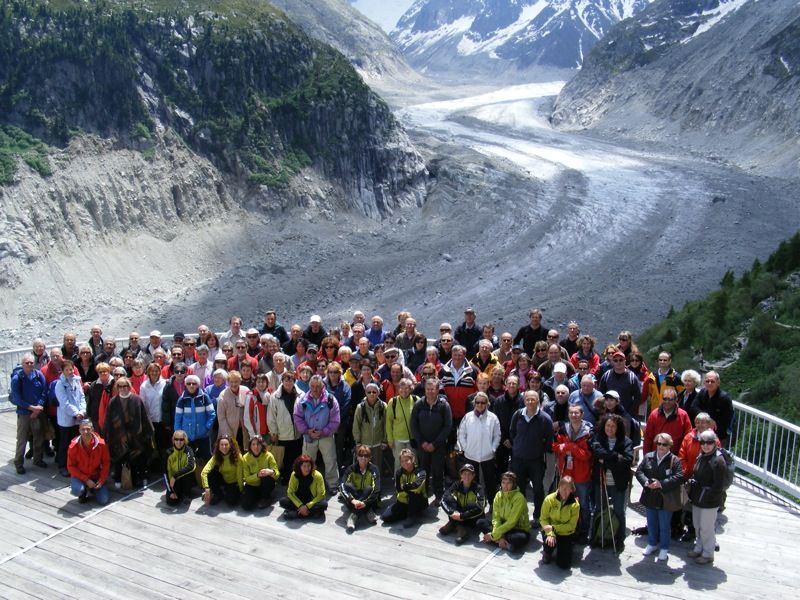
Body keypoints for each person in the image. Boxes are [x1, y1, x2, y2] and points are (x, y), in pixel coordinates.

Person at [636, 432, 685, 561]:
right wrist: (646, 482)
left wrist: (661, 484)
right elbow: (639, 471)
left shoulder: (675, 460)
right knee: (651, 523)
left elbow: (679, 477)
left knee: (664, 525)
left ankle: (664, 548)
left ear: (670, 446)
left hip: (665, 498)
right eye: (658, 443)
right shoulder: (649, 457)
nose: (661, 446)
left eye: (664, 444)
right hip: (650, 495)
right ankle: (652, 543)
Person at [509, 390, 553, 526]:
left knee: (538, 489)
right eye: (527, 399)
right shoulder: (518, 415)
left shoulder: (545, 418)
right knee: (519, 488)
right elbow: (512, 432)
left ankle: (537, 516)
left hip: (536, 460)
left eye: (533, 399)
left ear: (538, 401)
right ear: (524, 400)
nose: (530, 402)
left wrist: (538, 449)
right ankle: (521, 515)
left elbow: (549, 439)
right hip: (518, 458)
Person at [590, 414, 633, 550]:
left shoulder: (626, 441)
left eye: (613, 426)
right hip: (601, 481)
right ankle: (595, 536)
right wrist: (615, 457)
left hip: (618, 482)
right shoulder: (598, 438)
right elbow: (597, 452)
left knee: (619, 511)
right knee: (598, 509)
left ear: (618, 427)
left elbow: (627, 460)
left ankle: (619, 539)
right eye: (608, 425)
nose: (610, 428)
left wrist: (607, 460)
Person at [103, 376, 154, 489]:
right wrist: (106, 434)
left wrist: (148, 432)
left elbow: (144, 417)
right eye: (120, 386)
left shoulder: (137, 399)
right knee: (119, 457)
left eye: (125, 386)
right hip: (118, 435)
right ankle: (118, 478)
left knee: (138, 458)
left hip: (135, 435)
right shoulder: (113, 401)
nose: (122, 388)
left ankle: (141, 478)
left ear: (129, 386)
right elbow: (108, 420)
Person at [552, 405, 593, 542]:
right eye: (571, 413)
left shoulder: (589, 432)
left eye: (577, 413)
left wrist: (571, 447)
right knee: (566, 502)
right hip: (566, 473)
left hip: (582, 475)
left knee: (584, 505)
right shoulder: (564, 429)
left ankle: (584, 532)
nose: (574, 415)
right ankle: (568, 529)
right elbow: (555, 446)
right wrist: (565, 448)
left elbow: (586, 455)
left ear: (582, 414)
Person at [293, 374, 340, 491]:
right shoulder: (302, 400)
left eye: (318, 386)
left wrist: (323, 432)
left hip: (326, 436)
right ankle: (308, 484)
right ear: (309, 386)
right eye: (312, 386)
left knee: (330, 461)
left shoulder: (330, 399)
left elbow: (335, 420)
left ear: (322, 386)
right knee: (306, 463)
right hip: (309, 436)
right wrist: (307, 431)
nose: (315, 389)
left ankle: (333, 485)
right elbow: (297, 417)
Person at [686, 430, 726, 564]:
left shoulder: (718, 460)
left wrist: (709, 497)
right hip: (698, 497)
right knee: (697, 525)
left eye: (709, 442)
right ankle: (699, 548)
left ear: (715, 443)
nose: (705, 445)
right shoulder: (701, 456)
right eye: (702, 442)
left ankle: (708, 553)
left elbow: (719, 485)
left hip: (709, 501)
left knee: (706, 527)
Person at [410, 377, 453, 504]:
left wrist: (435, 443)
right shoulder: (419, 404)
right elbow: (414, 424)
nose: (430, 391)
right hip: (422, 445)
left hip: (438, 446)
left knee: (438, 470)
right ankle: (423, 494)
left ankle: (439, 495)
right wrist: (422, 442)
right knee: (423, 470)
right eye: (428, 389)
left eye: (432, 389)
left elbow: (447, 426)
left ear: (437, 390)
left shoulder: (444, 405)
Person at [457, 391, 501, 502]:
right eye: (477, 402)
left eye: (483, 402)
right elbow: (461, 434)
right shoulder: (468, 417)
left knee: (490, 482)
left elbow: (497, 436)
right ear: (474, 403)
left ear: (487, 403)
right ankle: (472, 502)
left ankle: (492, 503)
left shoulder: (493, 418)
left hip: (488, 456)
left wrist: (493, 448)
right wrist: (466, 447)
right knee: (471, 481)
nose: (480, 405)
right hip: (470, 455)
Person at [11, 353, 48, 473]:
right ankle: (18, 463)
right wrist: (32, 408)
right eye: (27, 363)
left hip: (37, 412)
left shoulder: (38, 375)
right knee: (22, 439)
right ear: (22, 364)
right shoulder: (17, 378)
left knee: (39, 437)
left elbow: (44, 392)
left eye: (31, 362)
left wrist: (39, 407)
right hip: (24, 413)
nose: (29, 364)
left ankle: (38, 459)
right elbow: (17, 398)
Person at [478, 471, 531, 553]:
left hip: (518, 528)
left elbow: (512, 522)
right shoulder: (498, 495)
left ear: (513, 484)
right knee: (480, 522)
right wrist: (500, 535)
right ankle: (504, 542)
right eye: (503, 482)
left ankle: (497, 540)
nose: (505, 485)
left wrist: (493, 535)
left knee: (519, 538)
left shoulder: (519, 498)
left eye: (509, 483)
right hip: (503, 527)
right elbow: (496, 518)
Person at [268, 371, 303, 484]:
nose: (288, 383)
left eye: (291, 380)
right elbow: (271, 416)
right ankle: (287, 479)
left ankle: (297, 478)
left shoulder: (301, 394)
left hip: (297, 433)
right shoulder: (275, 397)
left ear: (294, 381)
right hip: (283, 434)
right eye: (286, 380)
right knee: (285, 459)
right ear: (282, 381)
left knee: (297, 458)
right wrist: (274, 433)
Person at [54, 359, 86, 477]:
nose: (69, 371)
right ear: (62, 371)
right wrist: (76, 413)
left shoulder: (77, 380)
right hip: (66, 418)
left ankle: (74, 463)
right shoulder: (59, 385)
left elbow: (82, 396)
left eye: (71, 369)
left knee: (76, 443)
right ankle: (62, 465)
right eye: (67, 369)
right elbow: (64, 403)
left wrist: (82, 411)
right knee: (65, 443)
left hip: (78, 417)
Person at [174, 375, 216, 464]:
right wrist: (178, 434)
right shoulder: (181, 400)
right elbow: (178, 418)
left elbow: (211, 414)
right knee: (188, 461)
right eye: (189, 383)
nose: (191, 386)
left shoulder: (205, 397)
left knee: (206, 459)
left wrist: (207, 428)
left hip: (203, 436)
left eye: (194, 383)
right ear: (186, 385)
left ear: (198, 385)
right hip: (187, 436)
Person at [440, 463, 486, 545]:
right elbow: (444, 498)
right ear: (461, 475)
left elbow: (481, 507)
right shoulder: (457, 484)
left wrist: (462, 516)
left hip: (471, 517)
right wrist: (451, 513)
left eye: (469, 474)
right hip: (459, 514)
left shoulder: (478, 488)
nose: (467, 476)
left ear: (473, 475)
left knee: (472, 505)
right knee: (449, 499)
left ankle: (456, 526)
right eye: (464, 474)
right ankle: (458, 526)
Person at [540, 476, 581, 569]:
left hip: (565, 533)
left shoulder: (575, 505)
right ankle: (547, 552)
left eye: (568, 489)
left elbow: (571, 526)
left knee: (564, 565)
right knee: (549, 542)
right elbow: (543, 519)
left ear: (572, 490)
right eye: (563, 489)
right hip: (549, 530)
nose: (565, 492)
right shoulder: (549, 499)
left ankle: (565, 548)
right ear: (559, 487)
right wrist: (550, 533)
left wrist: (554, 528)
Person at [67, 419, 111, 505]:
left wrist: (101, 480)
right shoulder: (73, 446)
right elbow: (70, 466)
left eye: (88, 429)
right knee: (77, 490)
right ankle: (82, 493)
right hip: (80, 476)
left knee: (104, 500)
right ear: (79, 431)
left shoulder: (102, 445)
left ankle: (92, 489)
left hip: (95, 476)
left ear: (92, 429)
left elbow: (106, 463)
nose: (85, 431)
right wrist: (86, 480)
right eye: (83, 429)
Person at [381, 448, 428, 528]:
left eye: (407, 460)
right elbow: (398, 489)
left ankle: (412, 516)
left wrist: (404, 486)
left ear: (412, 459)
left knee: (414, 493)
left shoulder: (421, 472)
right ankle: (407, 513)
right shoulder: (399, 472)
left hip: (418, 501)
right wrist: (408, 487)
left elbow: (417, 487)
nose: (404, 463)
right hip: (403, 501)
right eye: (402, 461)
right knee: (385, 517)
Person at [339, 445, 381, 532]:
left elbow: (377, 489)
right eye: (361, 455)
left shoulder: (374, 469)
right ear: (357, 457)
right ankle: (368, 511)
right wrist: (352, 500)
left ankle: (353, 517)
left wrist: (365, 503)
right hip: (353, 500)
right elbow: (342, 486)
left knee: (369, 488)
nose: (363, 458)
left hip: (369, 500)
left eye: (366, 456)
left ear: (370, 458)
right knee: (348, 485)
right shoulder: (351, 468)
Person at [691, 371, 734, 447]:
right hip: (701, 432)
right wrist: (708, 420)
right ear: (704, 382)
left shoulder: (724, 398)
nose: (709, 383)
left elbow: (727, 418)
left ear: (718, 382)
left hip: (717, 436)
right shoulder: (702, 392)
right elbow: (694, 406)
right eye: (707, 381)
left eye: (712, 381)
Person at [352, 382, 387, 475]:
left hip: (378, 443)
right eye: (369, 392)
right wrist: (358, 442)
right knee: (363, 466)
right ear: (365, 393)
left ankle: (376, 486)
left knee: (377, 467)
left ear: (378, 393)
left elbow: (386, 424)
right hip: (364, 443)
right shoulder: (360, 407)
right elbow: (356, 425)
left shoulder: (383, 406)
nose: (372, 394)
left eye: (374, 392)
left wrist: (384, 440)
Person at [279, 455, 328, 519]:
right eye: (304, 466)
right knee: (283, 501)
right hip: (298, 500)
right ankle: (309, 513)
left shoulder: (317, 475)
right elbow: (290, 493)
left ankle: (296, 513)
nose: (307, 469)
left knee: (324, 504)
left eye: (309, 466)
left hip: (312, 500)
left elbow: (321, 494)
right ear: (299, 466)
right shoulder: (294, 474)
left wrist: (307, 506)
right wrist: (300, 505)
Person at [201, 434, 243, 506]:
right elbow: (204, 472)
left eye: (226, 444)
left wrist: (241, 489)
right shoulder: (216, 456)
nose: (224, 447)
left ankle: (225, 492)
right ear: (218, 446)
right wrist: (206, 488)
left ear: (230, 445)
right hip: (223, 480)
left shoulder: (237, 456)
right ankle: (218, 494)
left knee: (231, 503)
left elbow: (240, 475)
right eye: (222, 445)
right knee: (211, 473)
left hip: (234, 482)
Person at [385, 378, 416, 472]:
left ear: (411, 389)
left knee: (412, 462)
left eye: (407, 388)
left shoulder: (416, 400)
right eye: (401, 388)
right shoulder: (393, 402)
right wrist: (390, 439)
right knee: (399, 463)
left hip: (412, 439)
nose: (404, 390)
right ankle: (399, 485)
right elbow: (388, 422)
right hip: (397, 440)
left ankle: (413, 484)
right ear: (398, 389)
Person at [241, 436, 280, 510]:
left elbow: (277, 474)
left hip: (265, 484)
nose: (256, 447)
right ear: (250, 446)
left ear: (262, 445)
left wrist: (271, 472)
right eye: (253, 444)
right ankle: (259, 496)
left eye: (258, 444)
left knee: (267, 477)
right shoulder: (245, 458)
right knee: (246, 506)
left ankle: (266, 497)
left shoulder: (268, 455)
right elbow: (247, 478)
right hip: (253, 484)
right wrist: (257, 475)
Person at [598, 351, 641, 416]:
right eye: (616, 360)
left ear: (625, 361)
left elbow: (637, 397)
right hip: (609, 414)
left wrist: (631, 412)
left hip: (626, 414)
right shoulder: (606, 375)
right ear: (612, 362)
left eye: (621, 360)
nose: (618, 362)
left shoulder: (632, 377)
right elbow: (601, 394)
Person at [164, 429, 196, 506]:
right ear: (173, 440)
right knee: (171, 502)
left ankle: (187, 493)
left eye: (181, 439)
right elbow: (165, 473)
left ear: (185, 440)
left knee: (189, 473)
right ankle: (179, 493)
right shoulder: (168, 453)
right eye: (176, 439)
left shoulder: (188, 450)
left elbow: (191, 466)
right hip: (174, 482)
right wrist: (171, 491)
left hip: (184, 480)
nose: (179, 442)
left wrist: (175, 476)